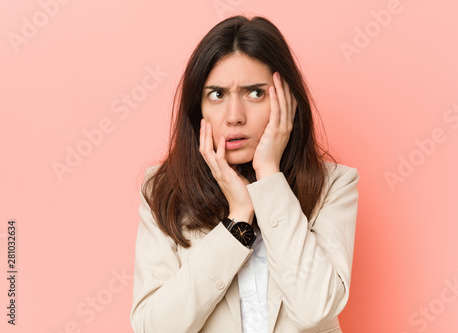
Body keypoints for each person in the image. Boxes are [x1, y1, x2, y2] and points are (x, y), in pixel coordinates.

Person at [130, 15, 359, 333]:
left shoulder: (334, 185)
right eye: (217, 95)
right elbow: (154, 328)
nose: (234, 117)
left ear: (288, 101)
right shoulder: (162, 190)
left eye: (255, 93)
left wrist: (269, 178)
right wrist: (237, 221)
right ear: (199, 109)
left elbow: (316, 311)